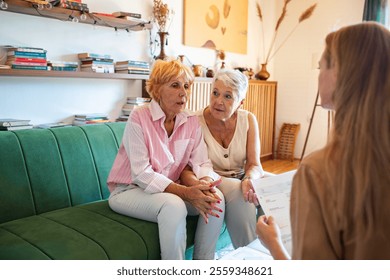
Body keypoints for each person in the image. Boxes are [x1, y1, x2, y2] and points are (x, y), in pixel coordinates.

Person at [256, 22, 390, 259]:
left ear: (339, 74)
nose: (318, 76)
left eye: (320, 66)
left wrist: (274, 244)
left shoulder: (318, 172)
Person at [107, 59, 225, 260]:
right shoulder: (138, 117)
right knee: (174, 205)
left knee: (217, 199)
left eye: (186, 86)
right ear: (158, 89)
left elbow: (201, 163)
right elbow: (142, 174)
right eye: (175, 85)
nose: (183, 92)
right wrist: (186, 193)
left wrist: (203, 185)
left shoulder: (190, 121)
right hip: (128, 190)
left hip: (168, 190)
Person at [194, 68, 267, 249]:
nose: (218, 101)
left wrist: (250, 179)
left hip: (242, 175)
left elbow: (254, 164)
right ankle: (250, 257)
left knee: (284, 185)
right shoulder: (194, 121)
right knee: (240, 191)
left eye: (228, 96)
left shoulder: (248, 119)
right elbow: (194, 166)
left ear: (240, 102)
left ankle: (283, 251)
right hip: (212, 179)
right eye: (215, 93)